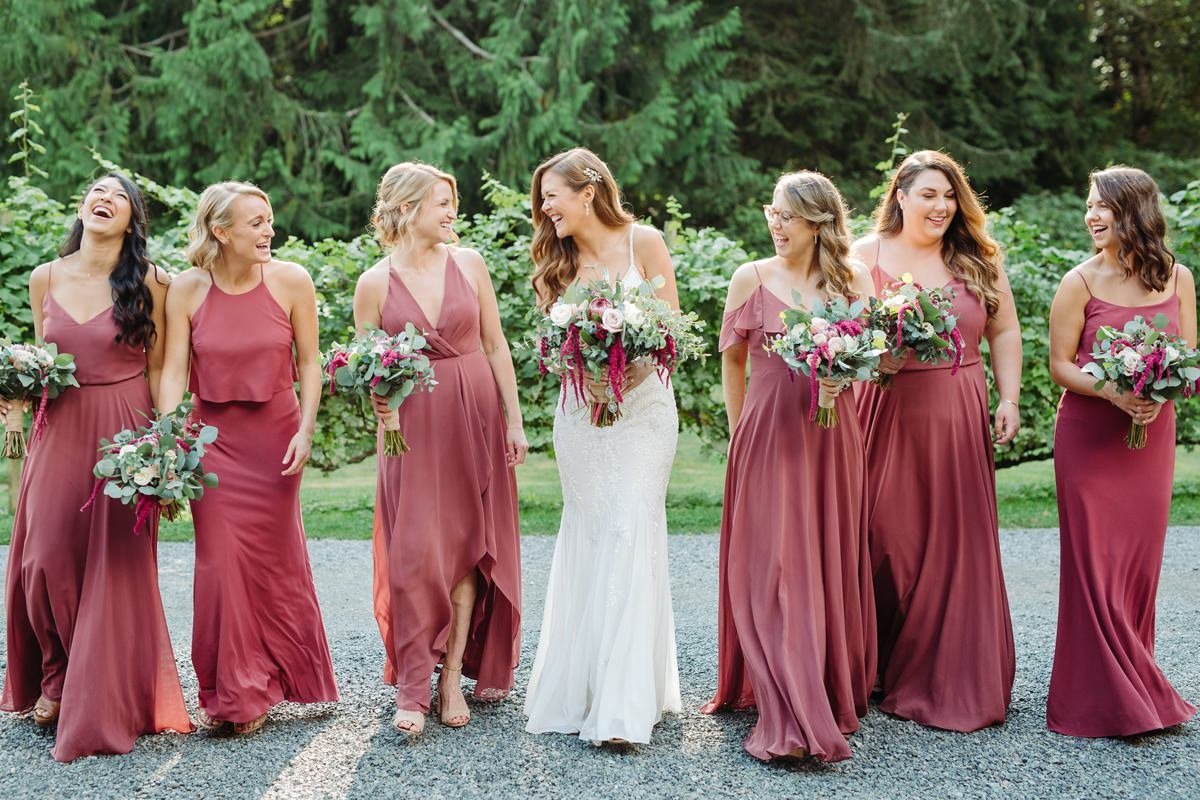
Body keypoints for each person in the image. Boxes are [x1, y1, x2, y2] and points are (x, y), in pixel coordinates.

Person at [0, 174, 192, 761]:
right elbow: (40, 359)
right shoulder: (45, 278)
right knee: (43, 556)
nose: (103, 198)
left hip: (125, 428)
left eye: (119, 196)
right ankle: (55, 672)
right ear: (82, 207)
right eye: (95, 190)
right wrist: (13, 415)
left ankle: (97, 693)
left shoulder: (155, 283)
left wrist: (162, 440)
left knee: (113, 561)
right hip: (58, 426)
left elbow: (163, 369)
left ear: (133, 219)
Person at [701, 172, 876, 762]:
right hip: (768, 431)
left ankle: (822, 683)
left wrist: (839, 378)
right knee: (775, 562)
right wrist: (738, 429)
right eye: (771, 213)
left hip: (833, 436)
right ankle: (786, 701)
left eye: (788, 216)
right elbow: (731, 364)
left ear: (821, 223)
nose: (775, 225)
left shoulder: (854, 279)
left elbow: (873, 363)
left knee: (820, 555)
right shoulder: (749, 278)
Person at [158, 181, 338, 736]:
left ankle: (272, 678)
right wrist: (166, 440)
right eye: (256, 222)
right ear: (221, 231)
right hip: (211, 442)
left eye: (269, 220)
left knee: (275, 559)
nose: (269, 231)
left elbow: (310, 362)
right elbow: (171, 371)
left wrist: (307, 428)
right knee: (220, 563)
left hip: (277, 436)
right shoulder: (186, 289)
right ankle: (237, 692)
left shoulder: (291, 281)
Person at [352, 162, 526, 736]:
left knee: (466, 542)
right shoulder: (374, 283)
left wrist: (514, 423)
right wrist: (379, 402)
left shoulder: (470, 265)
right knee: (413, 551)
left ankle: (450, 674)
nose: (453, 212)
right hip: (411, 428)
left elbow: (496, 346)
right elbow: (368, 369)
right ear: (405, 211)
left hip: (475, 412)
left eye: (453, 202)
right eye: (441, 202)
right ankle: (411, 680)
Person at [854, 150, 1021, 731]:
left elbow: (1004, 327)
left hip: (957, 403)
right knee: (884, 534)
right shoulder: (863, 255)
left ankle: (945, 673)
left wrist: (1008, 398)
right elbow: (843, 333)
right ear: (899, 195)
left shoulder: (975, 256)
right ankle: (875, 664)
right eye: (929, 194)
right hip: (885, 408)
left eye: (949, 196)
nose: (942, 206)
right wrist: (878, 359)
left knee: (952, 540)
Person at [523, 147, 681, 744]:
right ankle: (588, 688)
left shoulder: (645, 243)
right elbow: (556, 349)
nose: (545, 208)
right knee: (592, 529)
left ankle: (624, 702)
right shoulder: (553, 265)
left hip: (642, 413)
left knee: (630, 523)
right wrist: (588, 381)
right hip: (579, 417)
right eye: (542, 200)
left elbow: (667, 334)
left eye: (552, 196)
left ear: (587, 192)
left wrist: (618, 383)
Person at [1046, 165, 1197, 736]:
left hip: (1150, 439)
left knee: (1137, 565)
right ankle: (1097, 699)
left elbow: (1188, 355)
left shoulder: (1179, 278)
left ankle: (1135, 678)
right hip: (1090, 438)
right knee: (1093, 566)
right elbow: (1060, 365)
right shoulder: (1077, 282)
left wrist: (1160, 393)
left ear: (1133, 212)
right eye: (1088, 205)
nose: (1091, 216)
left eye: (1101, 206)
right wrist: (1114, 389)